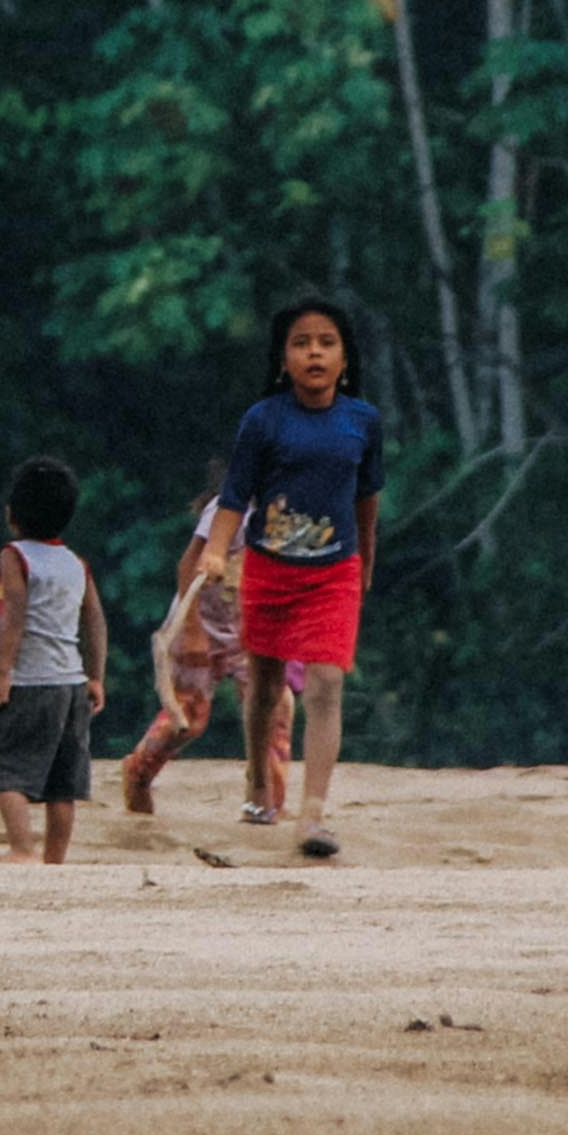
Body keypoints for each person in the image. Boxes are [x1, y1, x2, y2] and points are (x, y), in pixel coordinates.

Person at [209, 297, 382, 862]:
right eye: (302, 343)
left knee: (327, 685)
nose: (314, 352)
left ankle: (313, 810)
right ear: (283, 359)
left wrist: (365, 570)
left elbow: (366, 505)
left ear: (344, 358)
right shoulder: (262, 420)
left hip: (334, 571)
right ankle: (260, 782)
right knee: (264, 686)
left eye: (326, 343)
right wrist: (215, 551)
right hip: (268, 568)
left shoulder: (363, 422)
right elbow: (234, 497)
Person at [0, 458, 112, 862]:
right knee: (62, 783)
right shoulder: (76, 563)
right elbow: (96, 621)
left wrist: (3, 671)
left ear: (12, 513)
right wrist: (96, 676)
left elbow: (14, 613)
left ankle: (21, 848)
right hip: (71, 684)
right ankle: (55, 859)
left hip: (32, 682)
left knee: (2, 768)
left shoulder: (14, 556)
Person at [112, 506, 272, 815]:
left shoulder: (286, 508)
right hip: (202, 624)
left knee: (274, 706)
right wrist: (192, 629)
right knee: (188, 717)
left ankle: (267, 799)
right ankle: (139, 772)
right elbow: (188, 564)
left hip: (246, 629)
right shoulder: (229, 508)